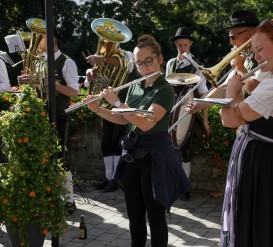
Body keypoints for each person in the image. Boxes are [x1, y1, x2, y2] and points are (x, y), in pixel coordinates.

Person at [87, 34, 191, 246]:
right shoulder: (135, 86)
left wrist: (116, 102)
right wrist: (98, 109)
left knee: (155, 216)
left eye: (148, 61)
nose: (143, 67)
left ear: (160, 59)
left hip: (154, 156)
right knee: (134, 216)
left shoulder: (165, 90)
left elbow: (146, 123)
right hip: (133, 156)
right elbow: (122, 118)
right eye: (138, 63)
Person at [219, 18, 273, 247]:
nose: (256, 56)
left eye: (260, 49)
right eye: (254, 50)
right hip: (263, 163)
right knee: (254, 226)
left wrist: (230, 92)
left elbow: (229, 119)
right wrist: (237, 94)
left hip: (264, 167)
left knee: (261, 228)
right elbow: (243, 116)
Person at [18, 29, 79, 215]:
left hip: (59, 115)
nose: (36, 44)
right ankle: (50, 197)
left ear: (52, 40)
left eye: (40, 39)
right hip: (40, 115)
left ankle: (68, 200)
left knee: (60, 159)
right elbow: (38, 88)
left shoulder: (66, 61)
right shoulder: (39, 62)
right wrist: (28, 82)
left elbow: (74, 92)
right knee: (42, 157)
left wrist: (51, 83)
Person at [166, 27, 210, 201]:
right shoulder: (170, 63)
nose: (182, 48)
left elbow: (204, 94)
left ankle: (184, 186)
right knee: (169, 150)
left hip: (190, 112)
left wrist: (205, 120)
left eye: (185, 44)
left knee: (186, 151)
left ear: (190, 44)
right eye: (179, 45)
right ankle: (172, 184)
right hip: (171, 112)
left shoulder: (198, 67)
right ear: (176, 45)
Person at [84, 47, 134, 192]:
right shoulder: (102, 56)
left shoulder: (127, 54)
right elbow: (92, 82)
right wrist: (90, 75)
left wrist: (101, 59)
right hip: (106, 105)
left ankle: (116, 178)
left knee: (116, 140)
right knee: (106, 142)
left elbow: (125, 64)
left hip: (120, 104)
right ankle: (108, 177)